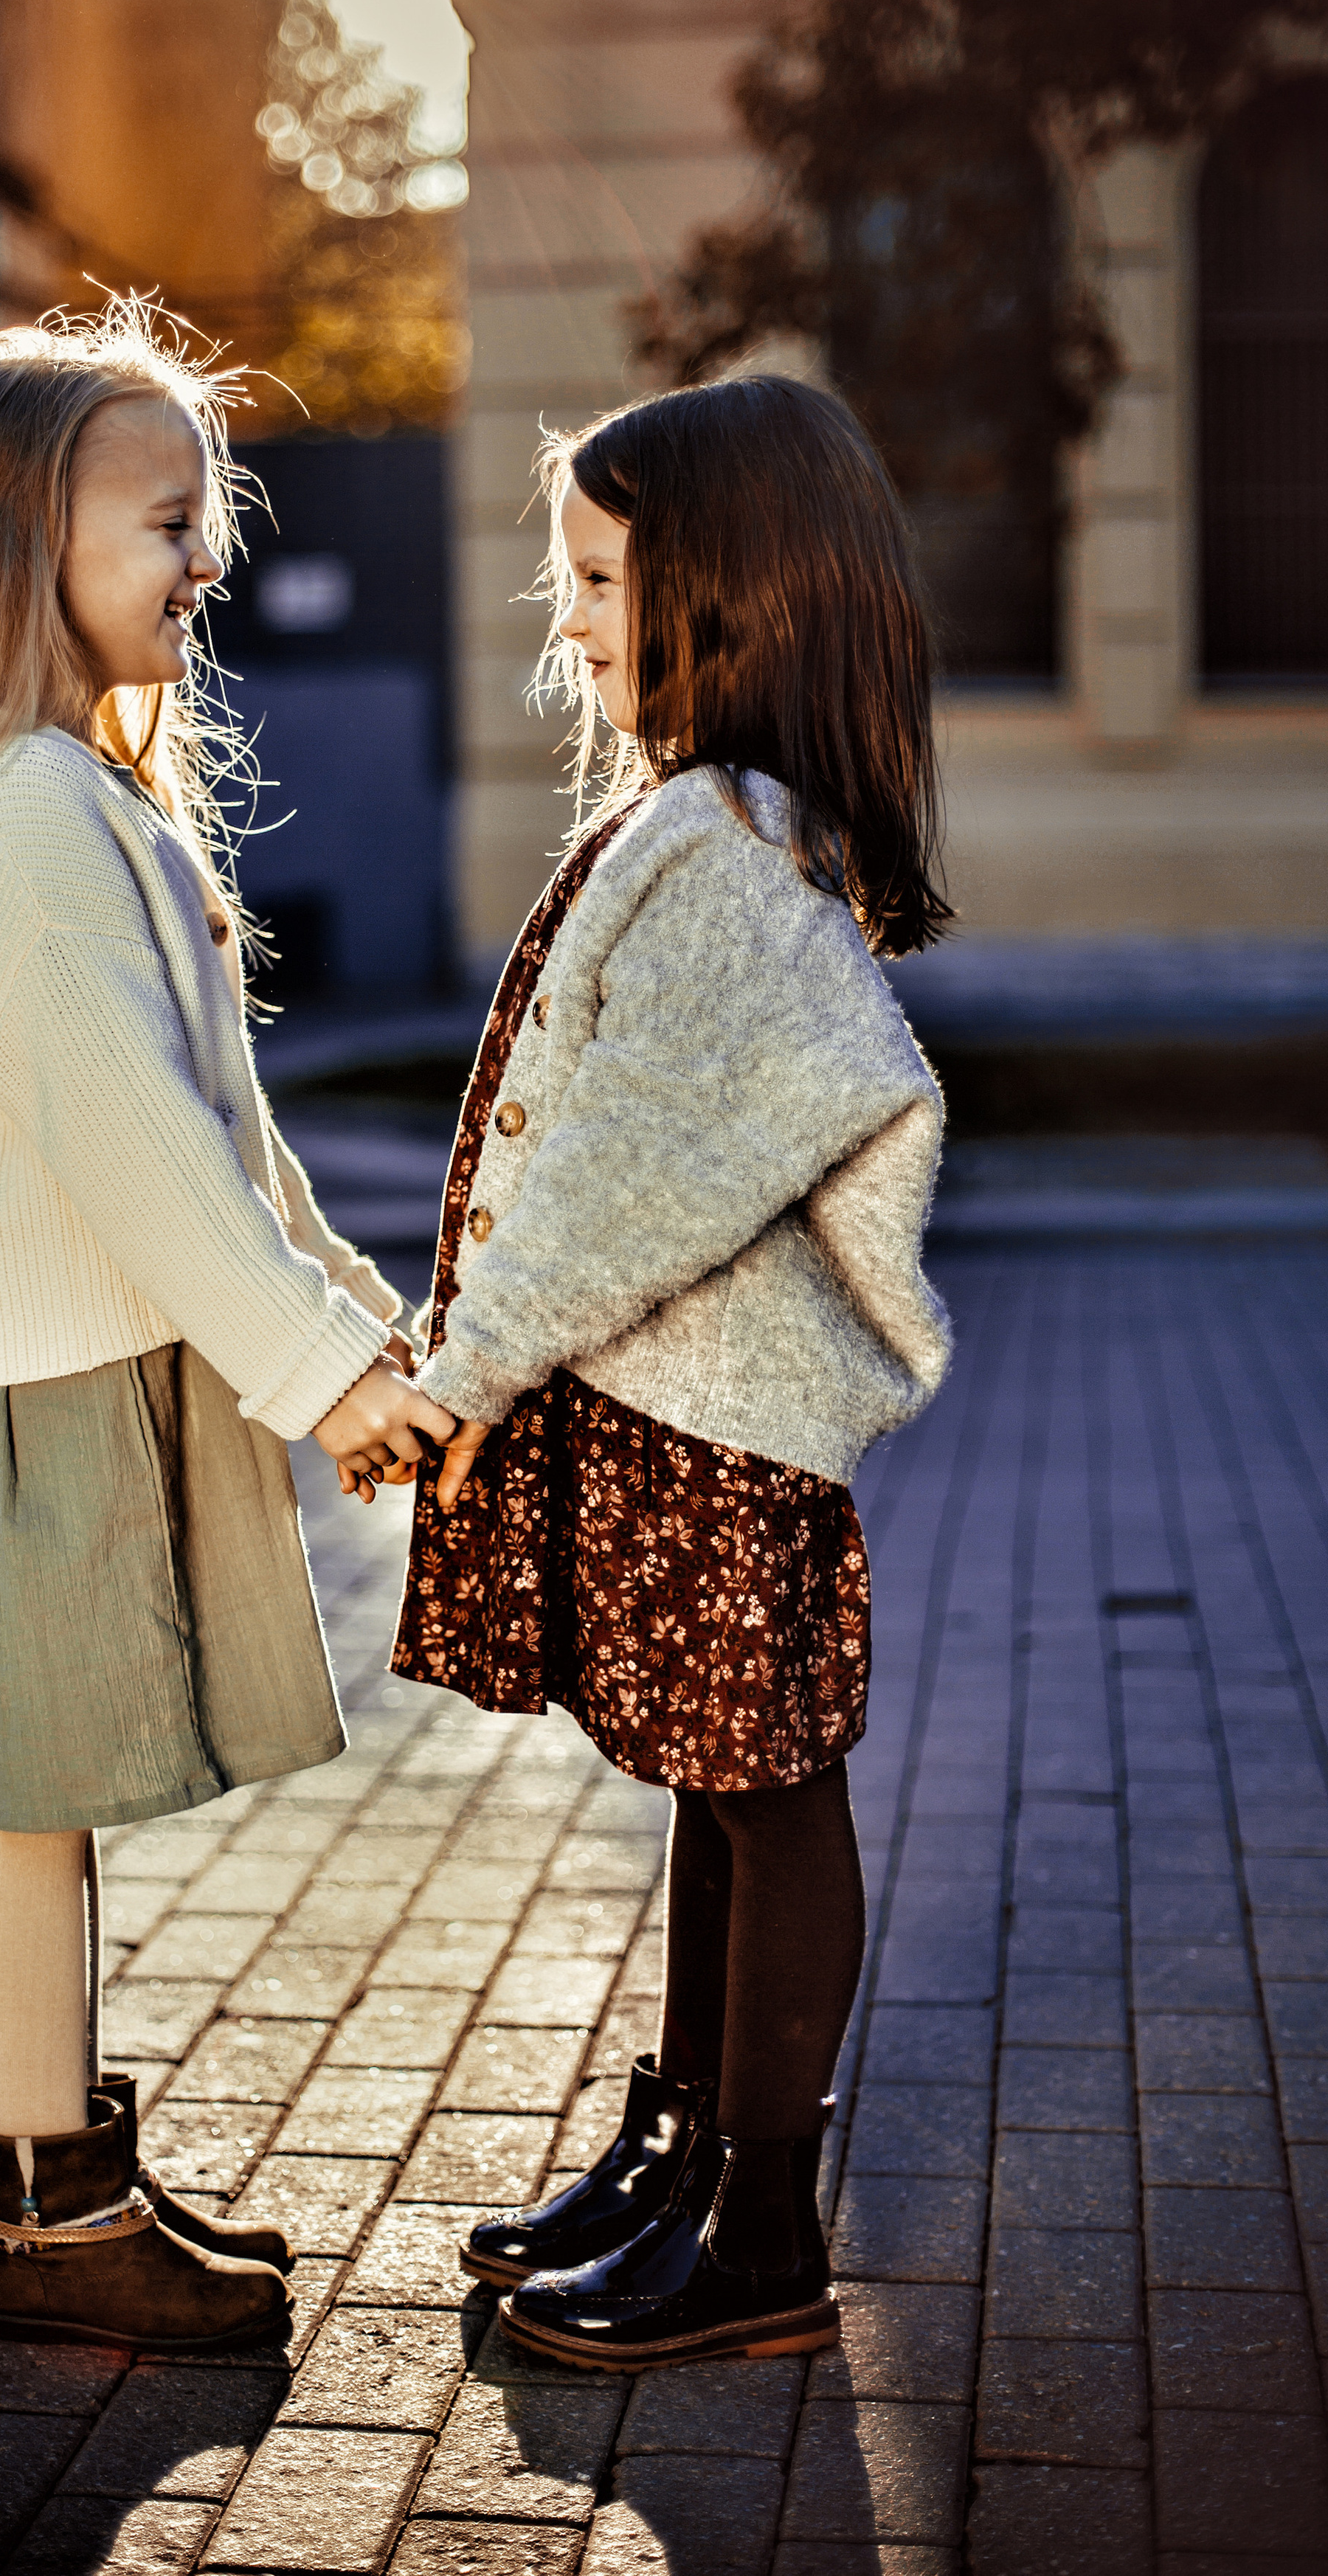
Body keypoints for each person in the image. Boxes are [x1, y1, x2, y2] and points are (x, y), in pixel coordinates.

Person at [0, 302, 453, 2350]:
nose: (207, 562)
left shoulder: (69, 796)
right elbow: (137, 1161)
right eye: (166, 523)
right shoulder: (13, 822)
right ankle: (52, 2226)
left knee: (56, 1813)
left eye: (207, 522)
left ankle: (66, 2176)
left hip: (83, 1379)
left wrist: (365, 1328)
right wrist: (331, 1386)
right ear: (19, 547)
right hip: (43, 1392)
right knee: (36, 1811)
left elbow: (226, 1140)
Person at [391, 375, 953, 2372]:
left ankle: (766, 2237)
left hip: (716, 1424)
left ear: (732, 593)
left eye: (606, 583)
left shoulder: (726, 850)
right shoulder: (701, 819)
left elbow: (627, 1174)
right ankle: (689, 2148)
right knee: (720, 1796)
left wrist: (462, 1374)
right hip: (679, 1414)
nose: (575, 628)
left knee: (765, 1795)